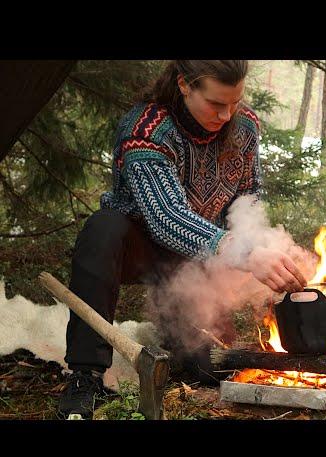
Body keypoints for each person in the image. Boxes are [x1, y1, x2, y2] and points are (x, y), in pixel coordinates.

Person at [58, 60, 307, 419]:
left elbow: (248, 198)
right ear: (185, 85)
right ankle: (85, 373)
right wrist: (245, 253)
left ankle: (175, 328)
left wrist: (264, 247)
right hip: (138, 247)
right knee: (103, 228)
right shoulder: (146, 130)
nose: (226, 115)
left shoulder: (246, 127)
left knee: (208, 367)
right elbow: (166, 218)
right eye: (216, 104)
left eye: (234, 102)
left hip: (195, 263)